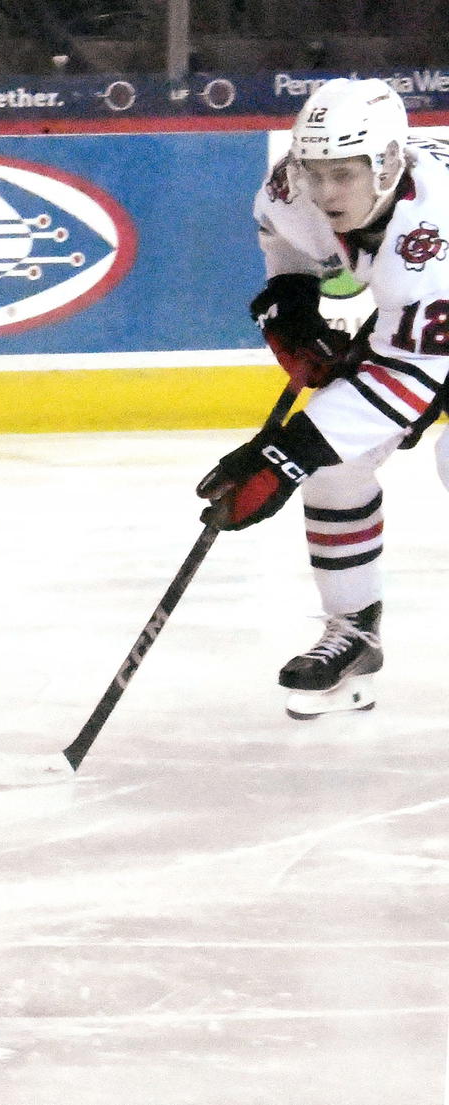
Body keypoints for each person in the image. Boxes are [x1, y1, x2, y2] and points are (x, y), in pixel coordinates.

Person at [196, 77, 449, 719]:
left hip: (430, 325)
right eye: (316, 172)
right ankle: (354, 638)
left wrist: (277, 459)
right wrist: (292, 307)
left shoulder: (432, 227)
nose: (325, 191)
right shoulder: (295, 186)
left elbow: (411, 377)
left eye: (343, 174)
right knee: (336, 464)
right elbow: (283, 238)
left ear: (388, 164)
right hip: (425, 325)